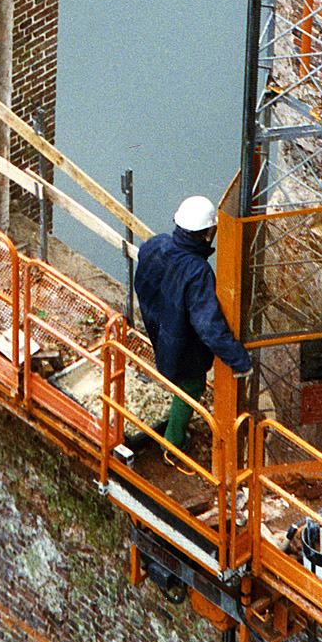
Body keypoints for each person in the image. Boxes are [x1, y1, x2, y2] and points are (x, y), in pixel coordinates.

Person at [134, 196, 253, 460]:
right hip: (182, 343)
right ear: (207, 233)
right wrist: (239, 361)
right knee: (191, 385)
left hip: (157, 323)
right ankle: (172, 445)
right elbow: (209, 327)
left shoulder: (156, 244)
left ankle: (170, 420)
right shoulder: (198, 271)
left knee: (170, 368)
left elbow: (143, 271)